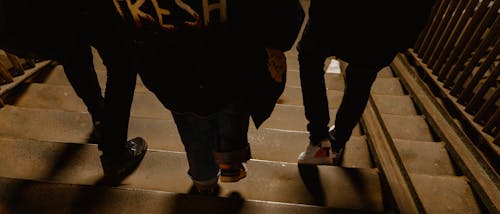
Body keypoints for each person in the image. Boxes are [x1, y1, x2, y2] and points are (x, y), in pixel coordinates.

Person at [113, 0, 304, 194]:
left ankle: (204, 180)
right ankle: (231, 164)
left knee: (191, 126)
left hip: (170, 69)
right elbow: (283, 14)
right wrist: (276, 44)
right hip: (231, 62)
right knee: (233, 115)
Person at [0, 0, 148, 182]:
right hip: (84, 8)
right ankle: (114, 151)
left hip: (47, 16)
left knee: (72, 51)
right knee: (122, 63)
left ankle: (100, 116)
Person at [297, 0, 437, 165]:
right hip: (386, 26)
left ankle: (320, 139)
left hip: (335, 14)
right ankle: (337, 141)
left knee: (310, 58)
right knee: (360, 79)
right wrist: (404, 39)